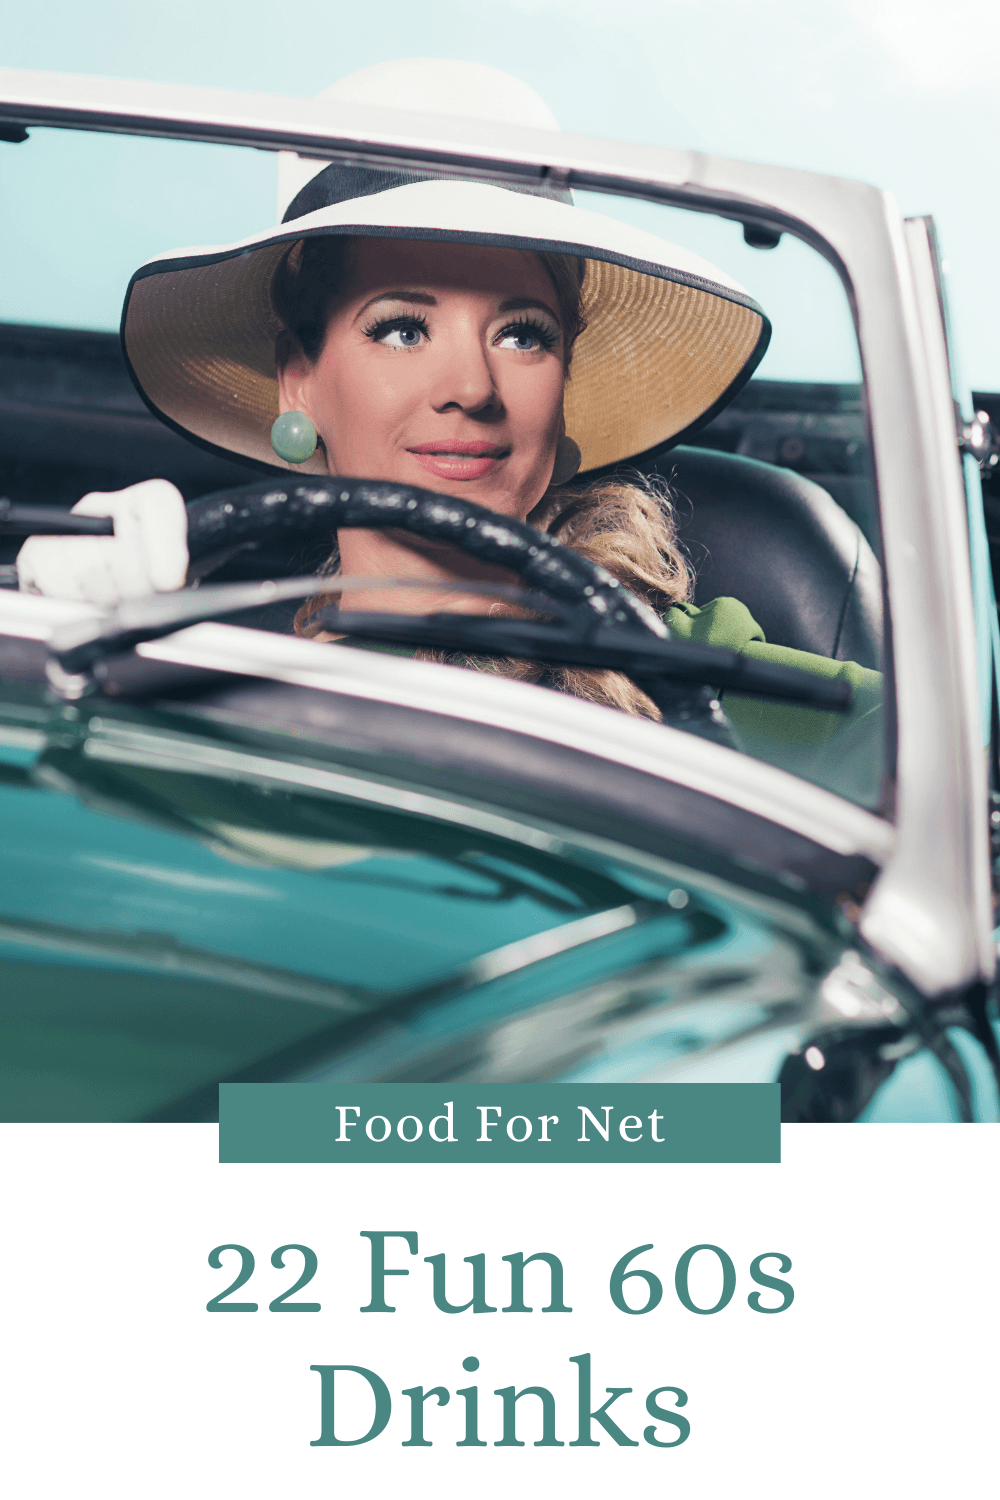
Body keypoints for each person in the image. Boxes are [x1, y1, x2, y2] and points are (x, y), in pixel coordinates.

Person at [18, 59, 880, 786]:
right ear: (298, 379)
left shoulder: (690, 663)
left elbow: (929, 780)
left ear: (564, 386)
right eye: (401, 328)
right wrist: (65, 650)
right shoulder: (209, 671)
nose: (470, 386)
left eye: (522, 335)